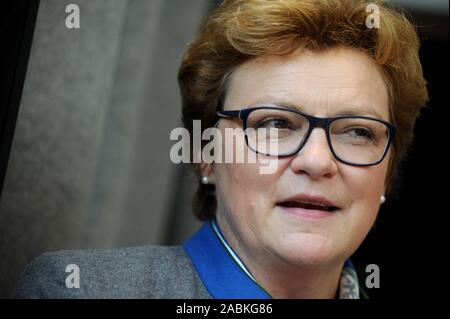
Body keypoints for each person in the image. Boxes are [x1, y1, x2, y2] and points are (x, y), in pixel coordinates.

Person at [15, 0, 428, 299]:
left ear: (386, 172)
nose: (318, 161)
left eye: (357, 132)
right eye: (275, 124)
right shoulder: (81, 290)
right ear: (206, 154)